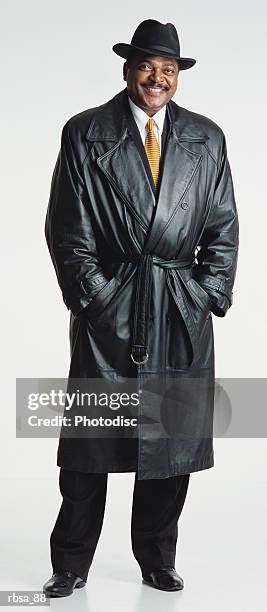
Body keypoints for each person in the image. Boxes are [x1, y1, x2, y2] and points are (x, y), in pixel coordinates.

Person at [43, 19, 239, 597]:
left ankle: (156, 557)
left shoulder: (207, 138)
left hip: (179, 308)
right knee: (90, 446)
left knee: (169, 443)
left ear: (178, 77)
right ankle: (71, 563)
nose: (157, 79)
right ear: (128, 69)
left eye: (168, 71)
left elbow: (223, 229)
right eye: (147, 67)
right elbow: (67, 230)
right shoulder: (86, 133)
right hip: (113, 308)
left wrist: (205, 295)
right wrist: (97, 299)